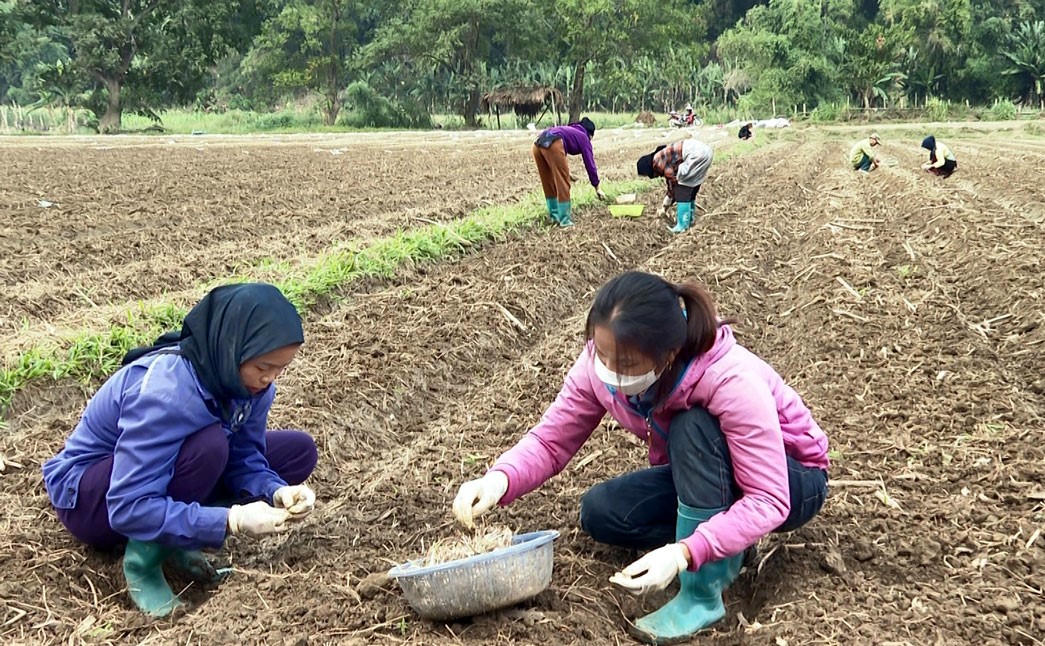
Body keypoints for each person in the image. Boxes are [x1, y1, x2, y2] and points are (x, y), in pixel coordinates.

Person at [452, 271, 829, 644]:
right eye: (602, 354)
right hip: (711, 473)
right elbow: (552, 440)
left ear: (669, 353)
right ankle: (731, 539)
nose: (612, 373)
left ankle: (700, 595)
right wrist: (499, 479)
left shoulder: (729, 378)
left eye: (628, 364)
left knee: (691, 425)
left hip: (792, 481)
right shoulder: (598, 368)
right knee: (603, 511)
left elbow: (769, 498)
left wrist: (684, 552)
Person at [42, 283, 318, 617]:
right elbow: (128, 506)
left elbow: (245, 457)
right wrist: (232, 519)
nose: (269, 379)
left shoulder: (249, 385)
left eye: (280, 369)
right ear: (231, 347)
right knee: (210, 446)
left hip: (159, 471)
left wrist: (275, 491)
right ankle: (144, 563)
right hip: (92, 499)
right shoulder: (166, 392)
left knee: (297, 451)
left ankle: (179, 536)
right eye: (263, 367)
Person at [532, 117, 607, 228]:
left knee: (548, 182)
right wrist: (597, 187)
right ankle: (565, 220)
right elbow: (590, 164)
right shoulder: (584, 137)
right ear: (590, 134)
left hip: (537, 144)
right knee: (563, 184)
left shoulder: (569, 130)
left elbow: (558, 161)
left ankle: (554, 216)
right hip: (553, 143)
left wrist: (567, 173)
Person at [636, 139, 713, 234]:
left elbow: (673, 182)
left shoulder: (657, 162)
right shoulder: (660, 156)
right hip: (705, 152)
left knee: (682, 189)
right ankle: (690, 220)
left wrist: (665, 205)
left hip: (695, 155)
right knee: (692, 185)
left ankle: (682, 226)